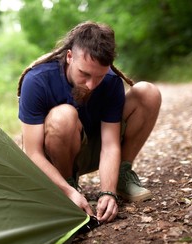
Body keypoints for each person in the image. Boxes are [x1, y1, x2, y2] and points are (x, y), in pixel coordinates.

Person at [17, 21, 161, 223]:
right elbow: (32, 153)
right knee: (63, 116)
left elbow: (110, 145)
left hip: (95, 149)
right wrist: (68, 192)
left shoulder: (111, 81)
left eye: (99, 76)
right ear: (69, 57)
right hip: (56, 157)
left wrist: (108, 193)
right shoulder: (37, 80)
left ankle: (120, 176)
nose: (91, 84)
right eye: (84, 74)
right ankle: (69, 185)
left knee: (148, 92)